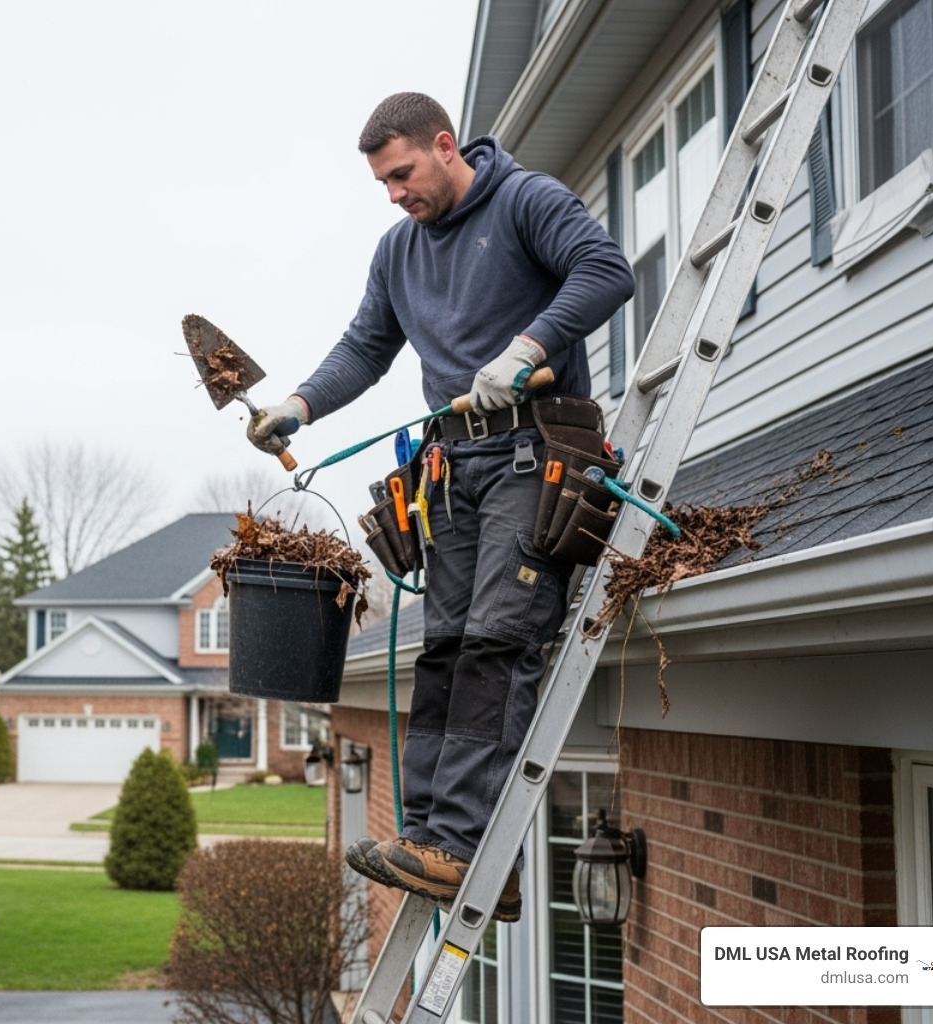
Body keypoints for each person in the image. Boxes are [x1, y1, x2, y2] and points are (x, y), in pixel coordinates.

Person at [247, 93, 633, 917]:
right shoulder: (398, 253)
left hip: (538, 457)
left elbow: (608, 272)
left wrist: (528, 347)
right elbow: (364, 348)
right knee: (446, 651)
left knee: (498, 640)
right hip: (452, 470)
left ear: (445, 146)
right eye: (382, 184)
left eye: (402, 175)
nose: (394, 195)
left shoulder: (528, 201)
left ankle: (461, 845)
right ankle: (432, 837)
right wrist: (298, 407)